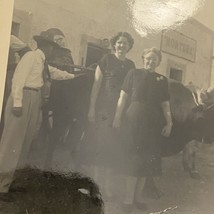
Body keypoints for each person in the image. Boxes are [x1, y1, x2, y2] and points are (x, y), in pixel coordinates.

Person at [0, 29, 79, 195]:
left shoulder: (43, 62)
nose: (54, 52)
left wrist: (75, 77)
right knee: (12, 144)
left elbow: (57, 74)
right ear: (48, 48)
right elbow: (18, 79)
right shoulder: (31, 57)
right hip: (24, 97)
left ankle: (12, 182)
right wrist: (18, 103)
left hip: (35, 99)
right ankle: (1, 187)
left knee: (24, 143)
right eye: (53, 49)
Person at [113, 47, 173, 212]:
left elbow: (165, 104)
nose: (150, 61)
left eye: (154, 59)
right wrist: (117, 117)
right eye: (148, 58)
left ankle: (138, 198)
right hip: (133, 121)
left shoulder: (162, 80)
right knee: (133, 160)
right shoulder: (133, 73)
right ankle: (128, 199)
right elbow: (123, 97)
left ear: (158, 62)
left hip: (152, 125)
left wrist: (169, 123)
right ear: (143, 58)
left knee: (146, 162)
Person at [80, 32, 135, 198]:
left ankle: (108, 187)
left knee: (113, 147)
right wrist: (91, 108)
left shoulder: (131, 65)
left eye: (125, 43)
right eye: (119, 42)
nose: (121, 46)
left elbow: (131, 90)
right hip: (103, 109)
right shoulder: (106, 60)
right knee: (100, 146)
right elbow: (96, 85)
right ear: (114, 44)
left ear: (129, 46)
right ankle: (96, 186)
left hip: (120, 111)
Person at [0, 167, 103, 214]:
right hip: (35, 185)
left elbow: (81, 181)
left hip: (30, 202)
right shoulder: (71, 187)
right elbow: (80, 181)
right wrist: (91, 185)